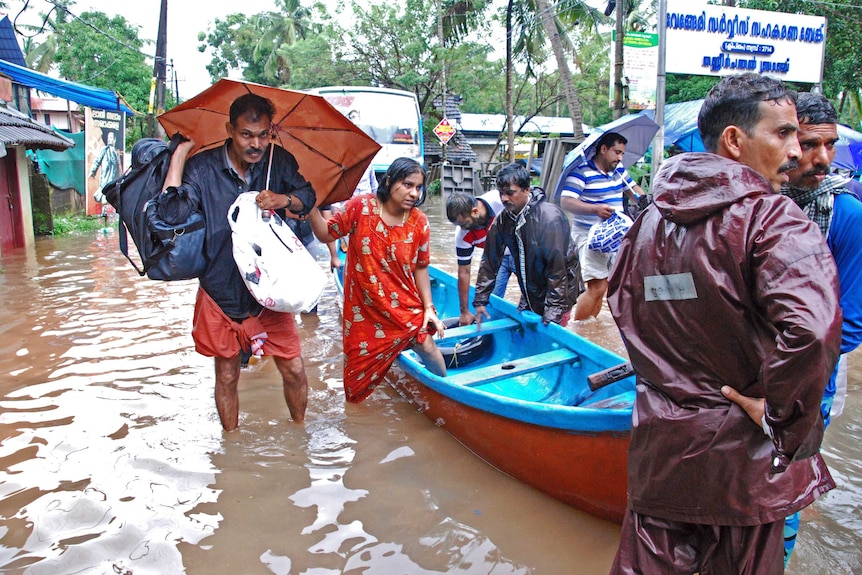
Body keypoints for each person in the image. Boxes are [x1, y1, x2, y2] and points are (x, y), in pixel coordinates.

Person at [606, 73, 842, 574]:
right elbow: (814, 331)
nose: (797, 151)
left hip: (662, 452)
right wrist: (783, 420)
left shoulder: (648, 219)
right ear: (734, 140)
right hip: (742, 467)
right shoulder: (772, 218)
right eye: (783, 134)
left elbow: (622, 305)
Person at [160, 93, 316, 431]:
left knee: (293, 368)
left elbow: (308, 197)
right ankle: (231, 442)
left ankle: (299, 432)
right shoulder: (202, 168)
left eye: (263, 135)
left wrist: (283, 199)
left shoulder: (279, 162)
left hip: (270, 293)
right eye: (247, 134)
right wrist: (180, 157)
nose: (256, 143)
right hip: (220, 290)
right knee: (227, 374)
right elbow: (171, 213)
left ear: (271, 132)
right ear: (230, 129)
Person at [779, 91, 862, 565]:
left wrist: (788, 374)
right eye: (810, 144)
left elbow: (851, 322)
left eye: (829, 145)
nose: (822, 159)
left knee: (786, 491)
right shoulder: (760, 201)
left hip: (810, 381)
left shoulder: (846, 216)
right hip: (748, 377)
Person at [307, 157, 447, 403]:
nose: (414, 193)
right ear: (390, 181)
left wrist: (428, 308)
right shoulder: (360, 207)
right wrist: (310, 206)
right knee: (355, 390)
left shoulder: (419, 222)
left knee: (427, 345)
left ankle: (445, 393)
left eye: (418, 187)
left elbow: (421, 267)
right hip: (364, 312)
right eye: (407, 185)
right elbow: (325, 233)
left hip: (403, 307)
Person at [472, 163, 578, 327]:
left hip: (561, 291)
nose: (504, 199)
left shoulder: (549, 218)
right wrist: (480, 300)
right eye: (501, 193)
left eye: (510, 193)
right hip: (531, 287)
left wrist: (553, 313)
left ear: (526, 190)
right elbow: (490, 260)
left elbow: (557, 270)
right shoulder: (504, 218)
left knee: (551, 331)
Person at [559, 132, 646, 320]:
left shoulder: (619, 171)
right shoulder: (581, 172)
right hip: (589, 235)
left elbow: (634, 190)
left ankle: (591, 327)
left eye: (622, 153)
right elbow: (566, 202)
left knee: (609, 286)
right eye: (616, 152)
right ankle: (579, 331)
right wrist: (595, 209)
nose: (619, 157)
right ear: (603, 149)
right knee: (597, 286)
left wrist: (645, 200)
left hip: (615, 236)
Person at [445, 190, 515, 326]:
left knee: (533, 297)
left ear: (475, 212)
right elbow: (464, 272)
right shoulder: (462, 235)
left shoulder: (500, 200)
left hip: (520, 253)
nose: (462, 228)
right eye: (458, 225)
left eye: (465, 224)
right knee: (491, 300)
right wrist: (464, 311)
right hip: (496, 258)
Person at [90, 131, 120, 204]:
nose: (109, 139)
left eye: (111, 138)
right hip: (104, 180)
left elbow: (117, 168)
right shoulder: (104, 150)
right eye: (108, 138)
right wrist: (93, 171)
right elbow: (97, 160)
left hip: (113, 182)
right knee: (102, 198)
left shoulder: (116, 153)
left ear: (114, 139)